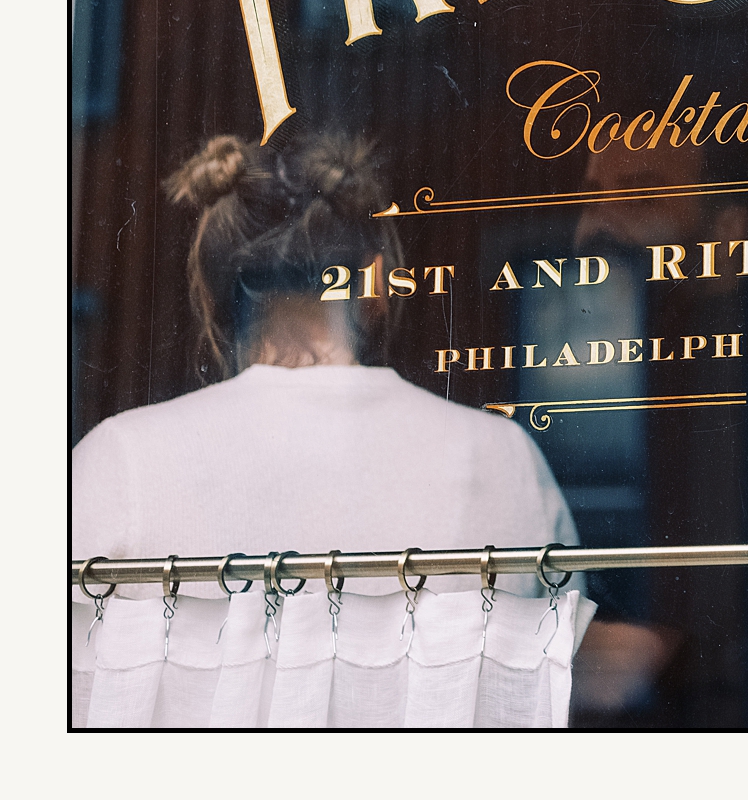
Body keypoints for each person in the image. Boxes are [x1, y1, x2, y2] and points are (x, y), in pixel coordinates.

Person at [71, 132, 577, 593]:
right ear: (377, 281)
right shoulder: (503, 457)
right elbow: (560, 669)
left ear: (210, 289)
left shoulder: (121, 460)